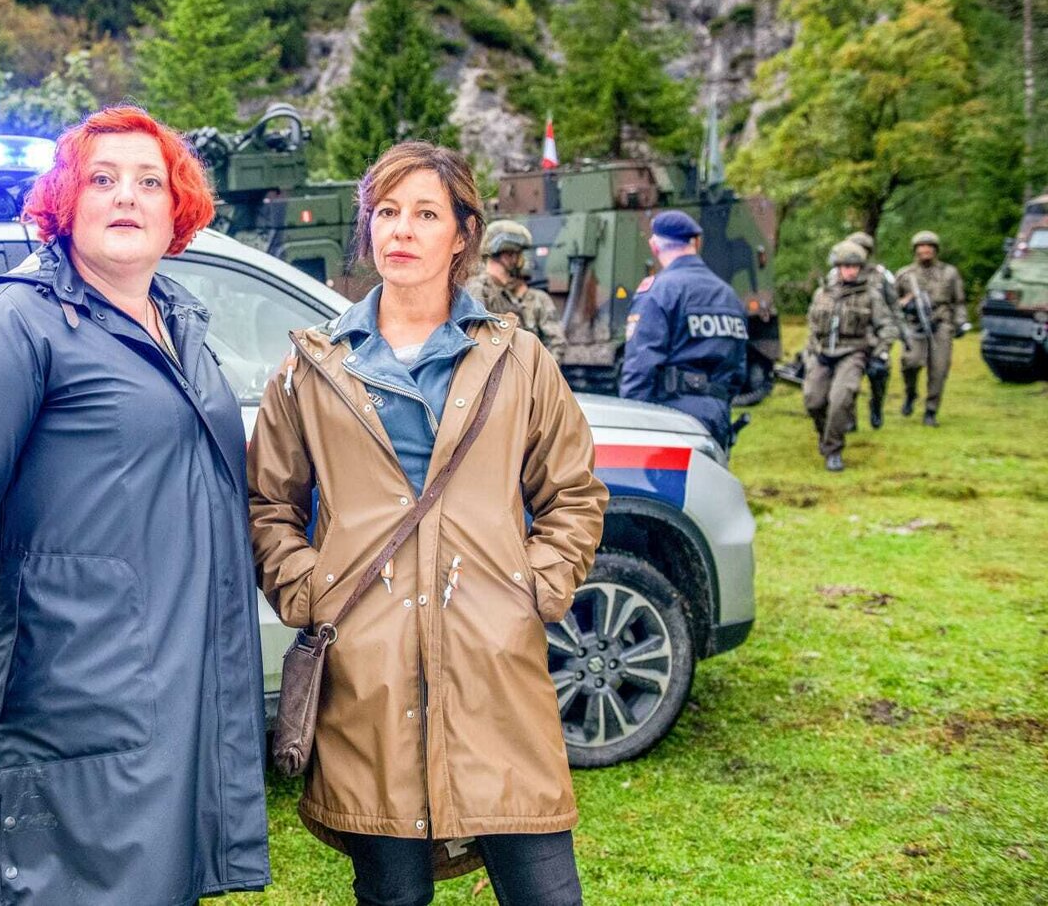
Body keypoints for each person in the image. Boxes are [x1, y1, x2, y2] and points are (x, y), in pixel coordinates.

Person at [0, 105, 270, 905]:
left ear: (178, 210)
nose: (127, 196)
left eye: (150, 182)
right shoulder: (10, 323)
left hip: (167, 686)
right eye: (103, 179)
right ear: (66, 201)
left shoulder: (178, 324)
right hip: (59, 693)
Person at [248, 141, 606, 906]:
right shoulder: (312, 366)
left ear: (463, 234)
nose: (401, 230)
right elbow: (269, 504)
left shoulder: (518, 360)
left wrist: (533, 589)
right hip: (368, 676)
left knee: (547, 893)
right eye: (386, 212)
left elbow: (573, 493)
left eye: (425, 214)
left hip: (494, 666)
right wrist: (311, 590)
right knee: (393, 897)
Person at [618, 210, 748, 450]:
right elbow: (739, 368)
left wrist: (631, 424)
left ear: (654, 246)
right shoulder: (728, 294)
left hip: (671, 414)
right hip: (717, 413)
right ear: (696, 243)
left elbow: (641, 366)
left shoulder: (659, 291)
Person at [803, 241, 899, 472]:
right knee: (813, 400)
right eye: (846, 266)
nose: (851, 271)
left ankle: (833, 450)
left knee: (841, 399)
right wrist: (809, 353)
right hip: (822, 353)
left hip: (853, 352)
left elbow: (887, 327)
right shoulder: (822, 293)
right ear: (838, 267)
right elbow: (812, 325)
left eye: (855, 267)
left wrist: (880, 353)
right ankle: (825, 435)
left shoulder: (870, 295)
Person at [466, 219, 567, 361]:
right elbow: (473, 341)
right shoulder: (479, 291)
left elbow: (557, 343)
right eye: (517, 254)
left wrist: (539, 372)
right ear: (508, 256)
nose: (520, 260)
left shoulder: (527, 297)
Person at [896, 230, 968, 427]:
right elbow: (892, 303)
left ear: (936, 249)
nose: (925, 250)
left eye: (929, 246)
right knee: (910, 362)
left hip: (941, 323)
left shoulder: (950, 273)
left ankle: (931, 410)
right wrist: (906, 303)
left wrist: (961, 322)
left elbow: (959, 301)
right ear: (915, 250)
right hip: (914, 324)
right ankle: (911, 393)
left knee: (939, 369)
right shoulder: (905, 275)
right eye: (921, 246)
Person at [839, 230, 904, 429]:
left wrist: (896, 332)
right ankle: (849, 418)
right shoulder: (839, 273)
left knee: (879, 373)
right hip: (849, 335)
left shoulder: (881, 275)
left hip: (877, 334)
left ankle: (876, 406)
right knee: (847, 379)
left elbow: (894, 305)